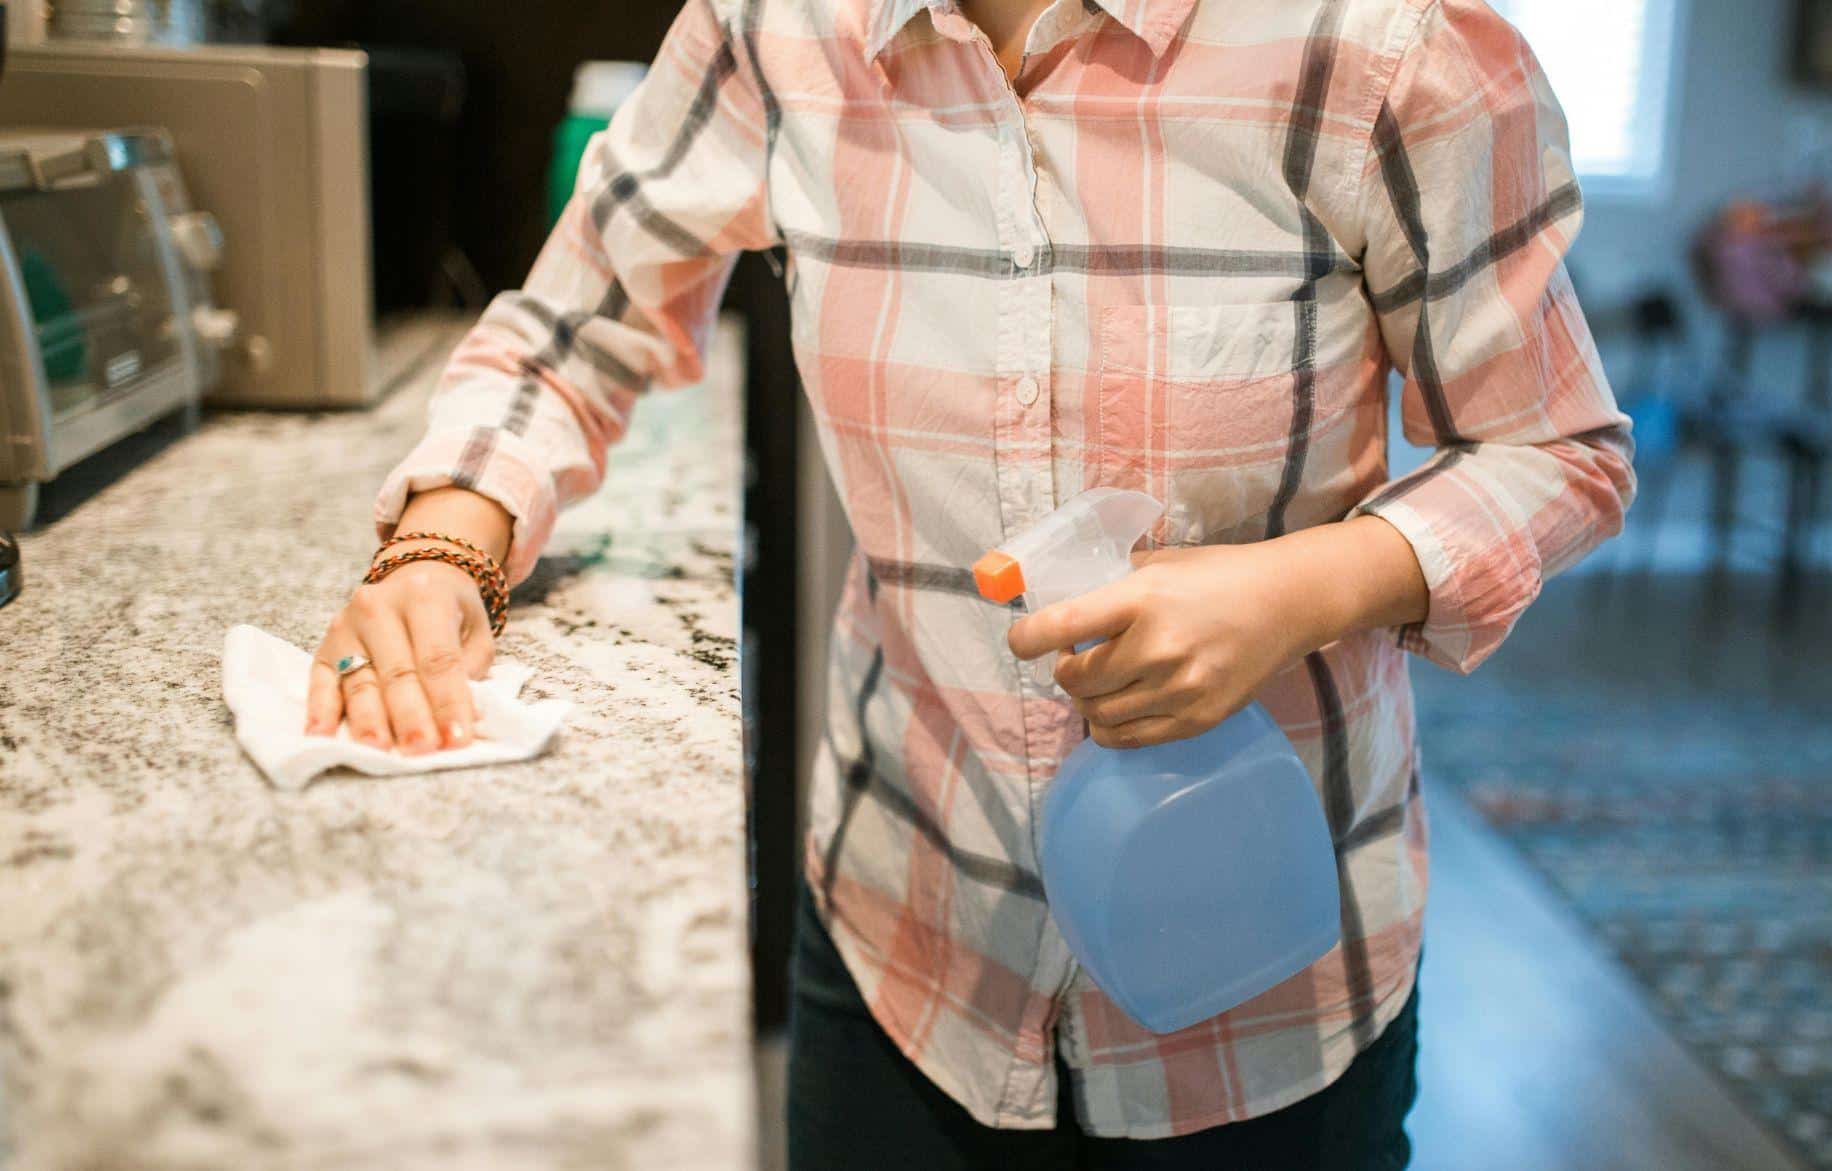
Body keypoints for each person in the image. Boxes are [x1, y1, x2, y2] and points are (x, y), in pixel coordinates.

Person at [306, 0, 1635, 1165]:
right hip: (909, 941)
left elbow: (1557, 451)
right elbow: (572, 326)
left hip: (1267, 992)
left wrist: (1298, 589)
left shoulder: (1383, 43)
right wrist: (451, 534)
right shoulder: (777, 27)